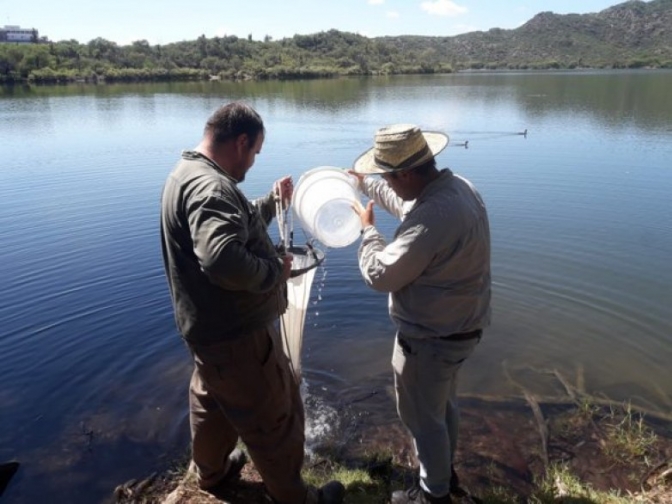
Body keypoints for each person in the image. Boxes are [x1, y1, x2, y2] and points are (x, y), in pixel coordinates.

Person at [160, 101, 344, 504]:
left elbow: (233, 224)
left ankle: (211, 474)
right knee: (274, 418)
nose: (253, 162)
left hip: (208, 333)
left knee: (212, 404)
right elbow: (222, 256)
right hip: (239, 336)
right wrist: (273, 273)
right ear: (241, 141)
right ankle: (298, 499)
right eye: (256, 152)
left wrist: (270, 201)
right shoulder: (213, 187)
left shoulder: (188, 174)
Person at [350, 124, 491, 504]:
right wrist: (366, 184)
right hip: (462, 329)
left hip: (430, 339)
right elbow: (407, 204)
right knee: (442, 406)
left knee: (422, 418)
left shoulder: (432, 217)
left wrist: (368, 233)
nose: (388, 186)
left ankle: (433, 494)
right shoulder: (457, 187)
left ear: (407, 173)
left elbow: (381, 275)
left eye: (388, 178)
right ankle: (445, 473)